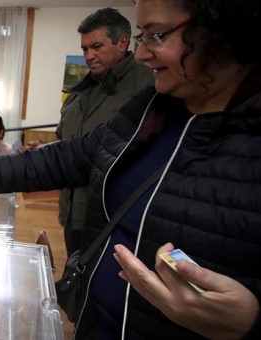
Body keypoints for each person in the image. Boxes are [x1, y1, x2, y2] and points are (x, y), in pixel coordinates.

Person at [0, 0, 261, 338]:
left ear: (224, 29)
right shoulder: (148, 109)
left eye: (156, 35)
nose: (142, 54)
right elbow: (74, 155)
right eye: (143, 36)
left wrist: (256, 321)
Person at [56, 7, 153, 257]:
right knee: (74, 275)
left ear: (122, 43)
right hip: (72, 211)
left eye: (96, 46)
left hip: (112, 215)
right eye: (85, 49)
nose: (89, 56)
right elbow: (63, 140)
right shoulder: (79, 92)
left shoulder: (147, 84)